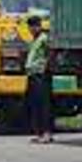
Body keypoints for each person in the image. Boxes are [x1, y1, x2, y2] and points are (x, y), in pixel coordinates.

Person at [25, 15, 52, 144]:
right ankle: (39, 133)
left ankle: (46, 133)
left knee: (43, 104)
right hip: (32, 75)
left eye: (32, 27)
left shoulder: (44, 39)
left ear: (38, 26)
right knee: (34, 105)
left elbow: (50, 53)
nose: (31, 29)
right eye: (29, 27)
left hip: (41, 75)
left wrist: (46, 67)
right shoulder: (34, 40)